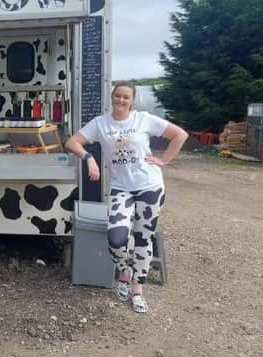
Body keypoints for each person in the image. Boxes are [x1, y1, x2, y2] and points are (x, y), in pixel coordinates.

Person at [65, 81, 188, 313]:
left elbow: (179, 135)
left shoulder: (143, 119)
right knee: (116, 238)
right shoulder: (101, 124)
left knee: (143, 238)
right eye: (117, 96)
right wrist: (89, 157)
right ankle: (124, 271)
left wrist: (164, 160)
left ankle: (137, 288)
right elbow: (72, 142)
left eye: (126, 97)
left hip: (149, 186)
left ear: (132, 101)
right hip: (121, 188)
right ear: (112, 97)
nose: (121, 100)